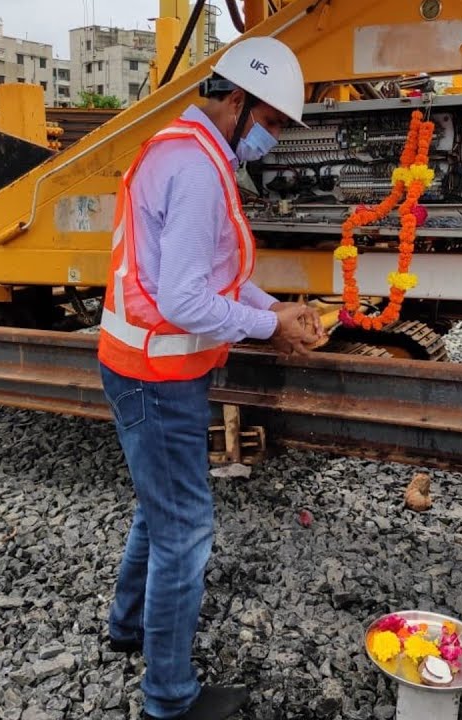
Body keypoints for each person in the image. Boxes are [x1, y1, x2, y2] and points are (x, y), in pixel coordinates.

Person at [96, 37, 324, 720]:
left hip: (148, 366)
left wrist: (272, 307)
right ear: (236, 100)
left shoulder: (189, 150)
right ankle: (168, 699)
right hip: (156, 374)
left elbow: (217, 276)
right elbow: (184, 302)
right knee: (186, 531)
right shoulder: (197, 170)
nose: (272, 139)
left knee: (158, 508)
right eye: (272, 122)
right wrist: (271, 329)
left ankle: (127, 627)